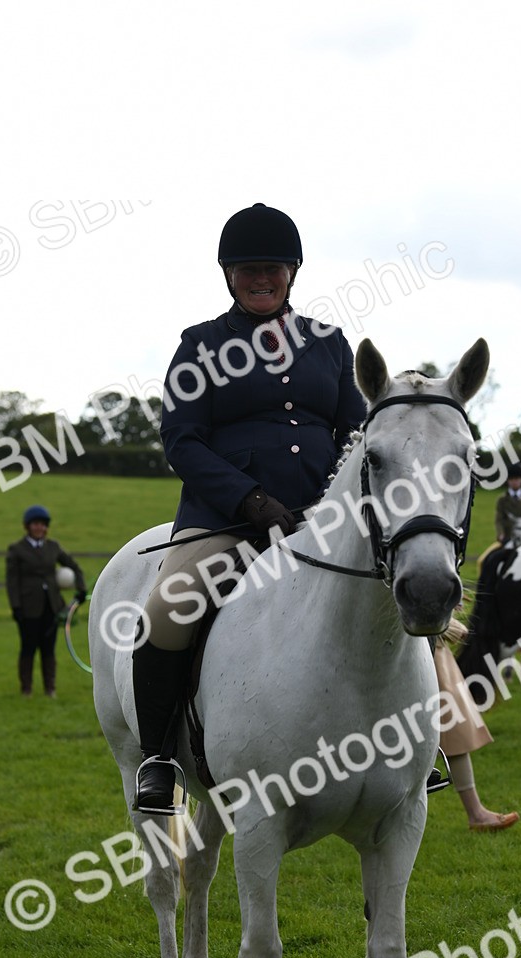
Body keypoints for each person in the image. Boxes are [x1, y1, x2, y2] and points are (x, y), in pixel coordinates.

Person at [133, 202, 366, 812]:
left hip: (321, 521)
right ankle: (157, 757)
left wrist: (328, 506)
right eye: (247, 269)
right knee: (165, 609)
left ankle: (427, 746)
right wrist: (251, 497)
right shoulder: (200, 346)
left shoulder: (330, 345)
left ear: (292, 272)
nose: (261, 279)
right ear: (228, 275)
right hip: (227, 521)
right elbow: (182, 440)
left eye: (273, 268)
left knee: (399, 594)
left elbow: (356, 434)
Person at [433, 624, 519, 832]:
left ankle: (476, 813)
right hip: (417, 643)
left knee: (453, 727)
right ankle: (476, 813)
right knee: (451, 725)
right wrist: (439, 625)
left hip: (430, 646)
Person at [5, 505, 87, 697]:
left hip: (52, 606)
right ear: (28, 526)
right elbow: (12, 581)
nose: (39, 528)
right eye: (35, 524)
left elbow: (74, 566)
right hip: (28, 608)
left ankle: (50, 688)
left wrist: (81, 589)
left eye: (42, 524)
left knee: (48, 648)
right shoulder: (16, 550)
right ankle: (26, 688)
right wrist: (15, 606)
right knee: (28, 647)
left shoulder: (53, 547)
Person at [475, 462, 521, 571]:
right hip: (506, 538)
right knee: (483, 560)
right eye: (512, 479)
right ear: (508, 481)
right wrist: (501, 534)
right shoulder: (502, 500)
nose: (514, 482)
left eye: (517, 479)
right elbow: (499, 519)